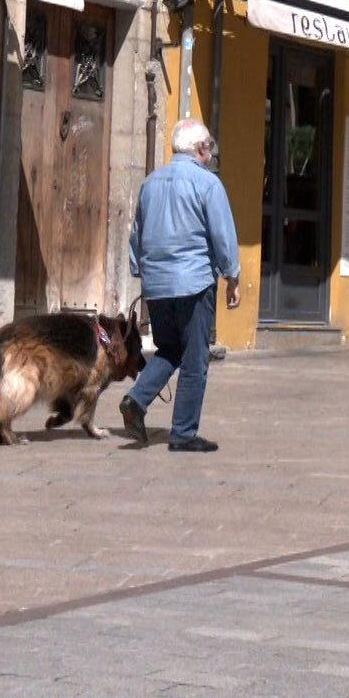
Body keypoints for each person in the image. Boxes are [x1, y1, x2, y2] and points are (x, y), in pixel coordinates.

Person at [121, 118, 240, 453]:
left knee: (170, 349)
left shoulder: (150, 183)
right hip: (194, 283)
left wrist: (139, 271)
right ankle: (184, 433)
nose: (210, 156)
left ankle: (136, 400)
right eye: (209, 150)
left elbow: (136, 235)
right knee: (194, 359)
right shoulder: (208, 184)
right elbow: (222, 235)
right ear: (201, 149)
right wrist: (232, 277)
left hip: (157, 285)